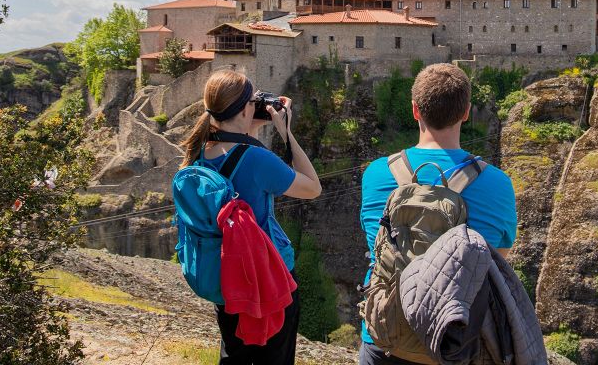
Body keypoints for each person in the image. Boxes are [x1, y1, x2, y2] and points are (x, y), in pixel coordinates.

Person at [358, 63, 518, 365]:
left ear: (415, 110)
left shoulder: (376, 174)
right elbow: (497, 256)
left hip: (385, 335)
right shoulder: (498, 183)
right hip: (457, 339)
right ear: (466, 112)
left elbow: (375, 244)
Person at [180, 69, 322, 365]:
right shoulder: (257, 159)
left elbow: (235, 163)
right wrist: (286, 133)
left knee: (235, 356)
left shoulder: (198, 154)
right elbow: (312, 187)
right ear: (245, 108)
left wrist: (249, 127)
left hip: (226, 279)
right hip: (269, 278)